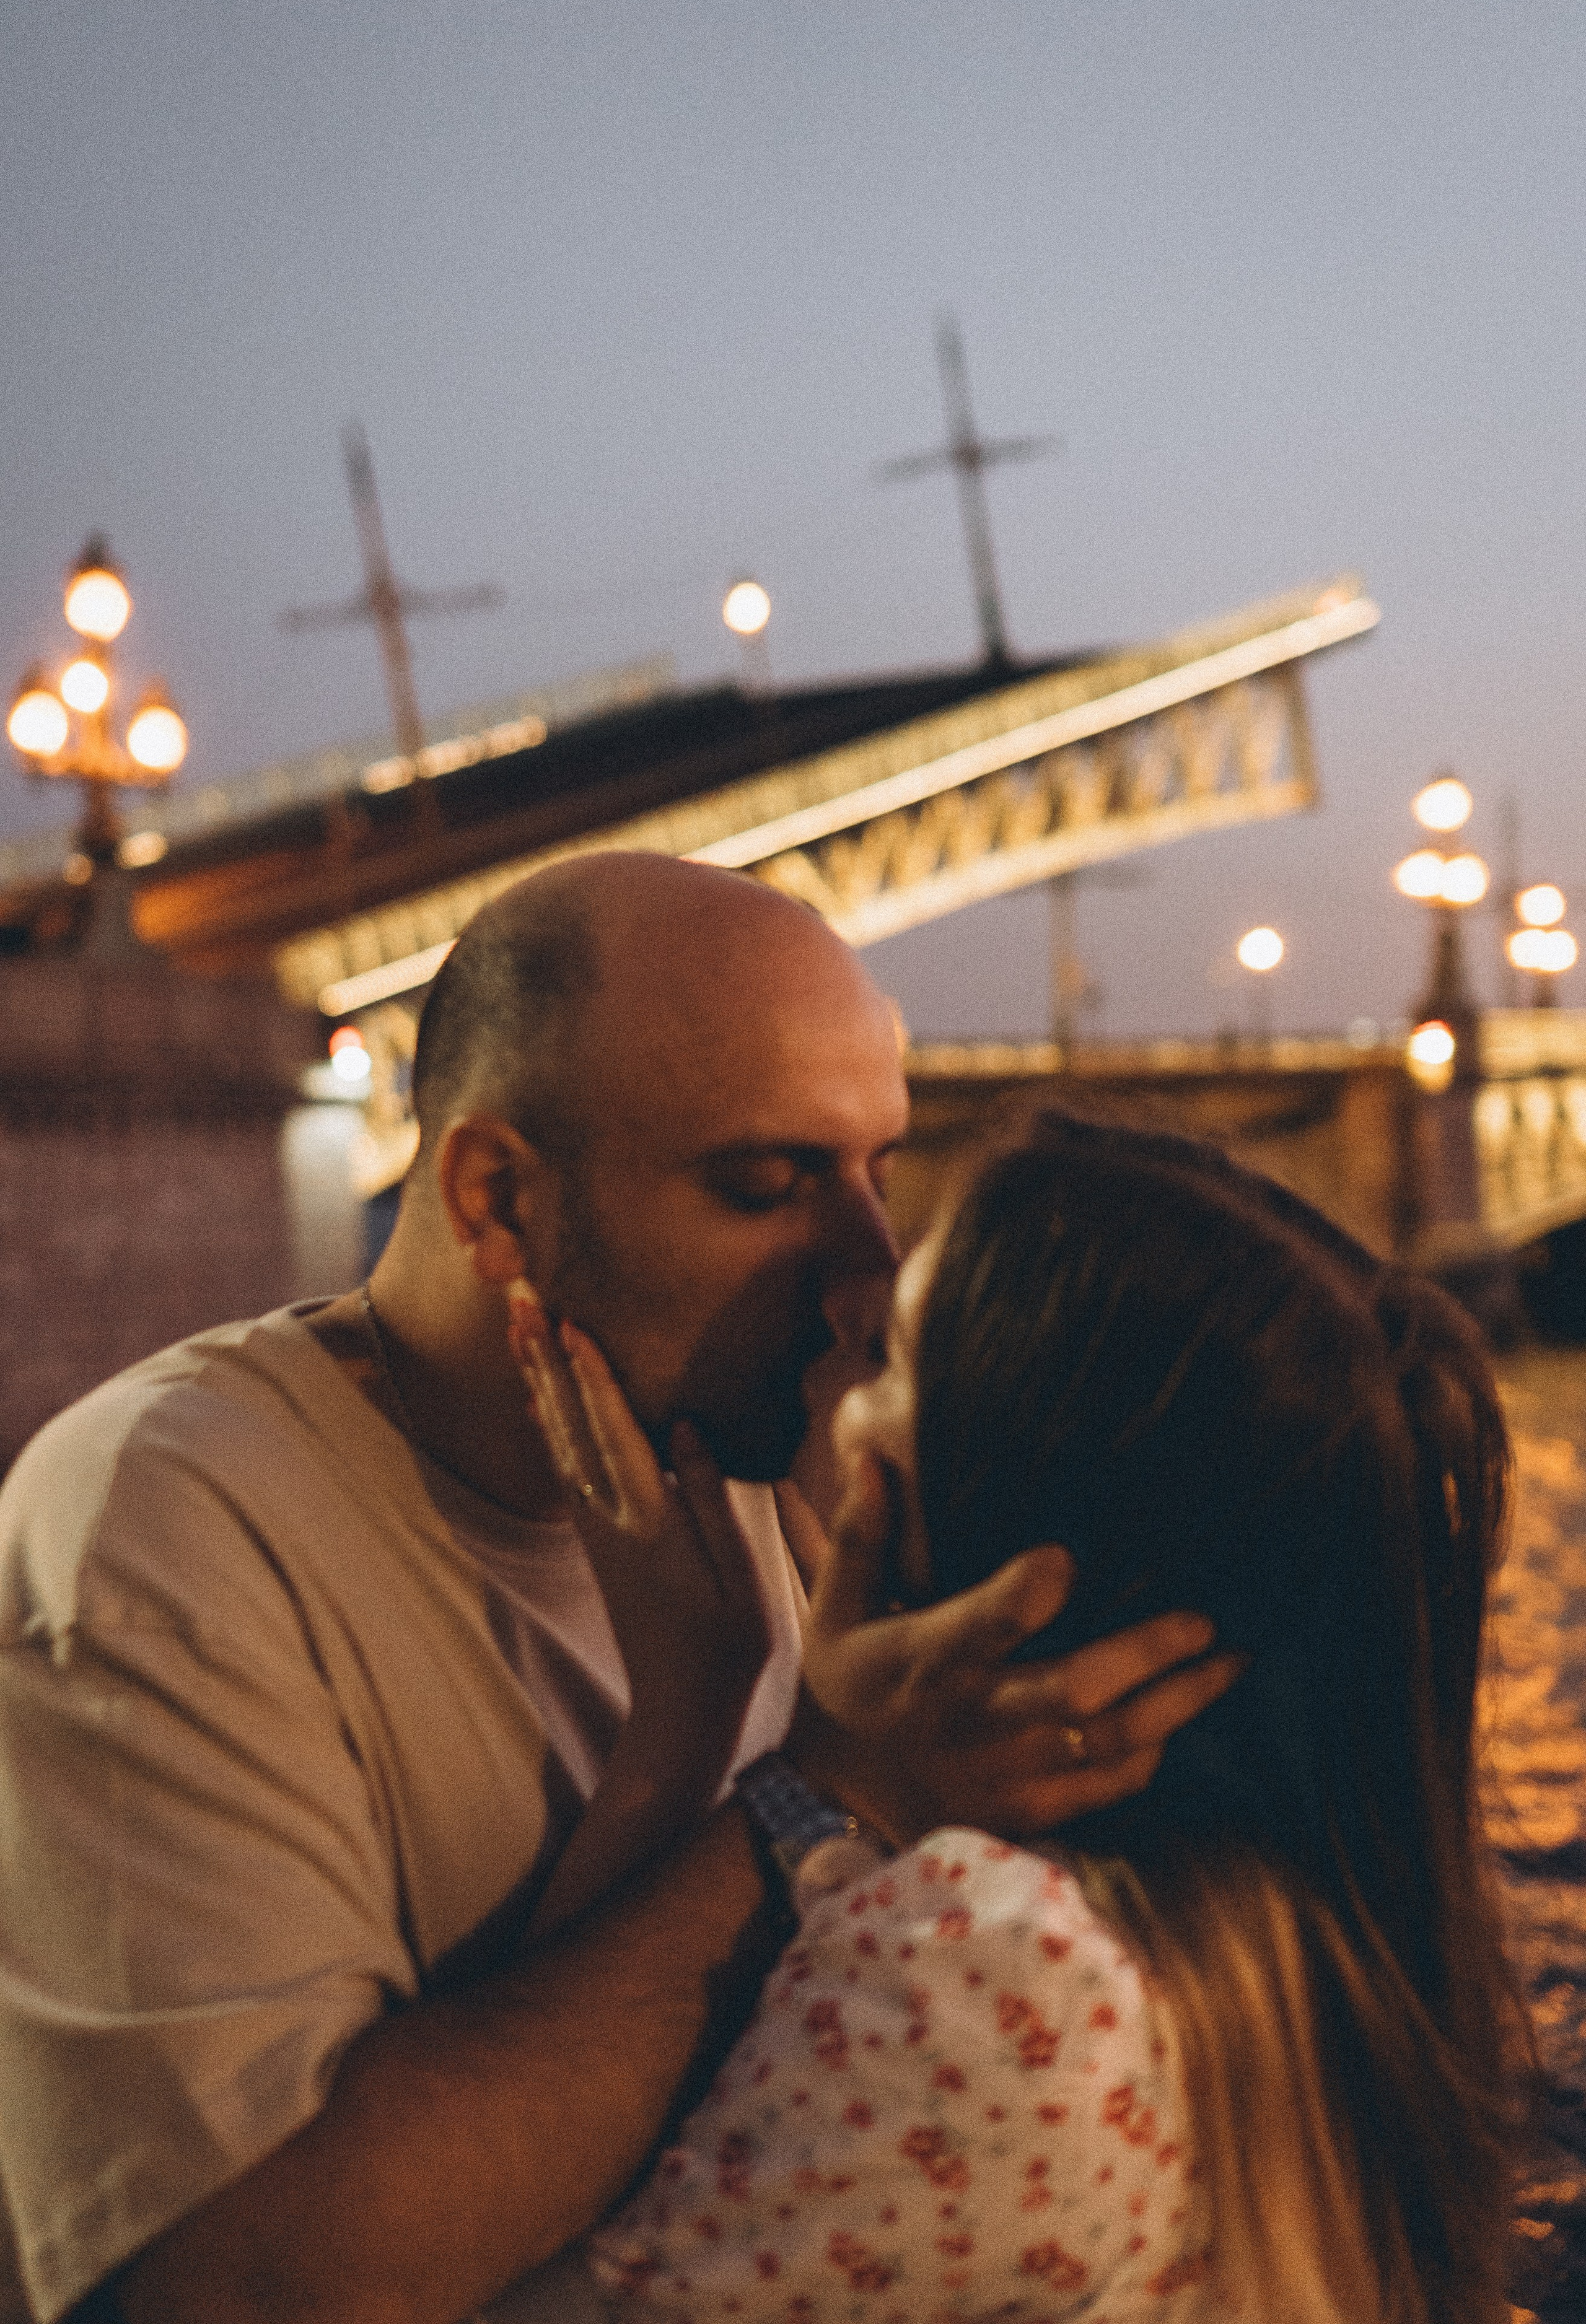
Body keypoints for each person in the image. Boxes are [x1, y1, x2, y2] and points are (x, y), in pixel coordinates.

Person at [0, 855, 1238, 2324]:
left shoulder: (777, 1454)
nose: (870, 1270)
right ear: (498, 1199)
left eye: (878, 1172)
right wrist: (822, 1793)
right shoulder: (169, 1522)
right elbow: (235, 2289)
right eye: (769, 1184)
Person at [523, 1109, 1522, 2323]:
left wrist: (747, 1754)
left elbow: (468, 2289)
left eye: (893, 1354)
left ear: (1003, 1498)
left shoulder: (991, 1968)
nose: (839, 1315)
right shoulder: (1301, 1924)